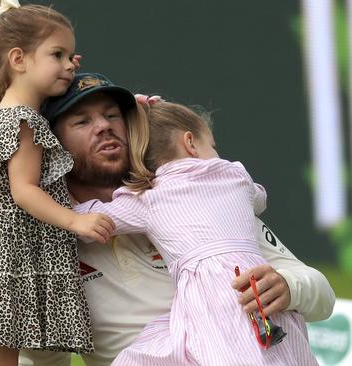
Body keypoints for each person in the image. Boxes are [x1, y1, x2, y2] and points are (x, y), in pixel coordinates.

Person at [19, 73, 335, 366]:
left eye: (113, 115)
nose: (103, 126)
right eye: (82, 121)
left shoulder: (199, 198)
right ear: (51, 144)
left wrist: (288, 287)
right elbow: (42, 358)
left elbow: (321, 295)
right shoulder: (52, 236)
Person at [0, 3, 114, 366]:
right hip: (7, 253)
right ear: (19, 59)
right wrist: (75, 220)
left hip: (5, 249)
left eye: (70, 56)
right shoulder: (23, 122)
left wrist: (56, 66)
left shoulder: (12, 108)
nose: (69, 64)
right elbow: (24, 190)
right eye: (57, 55)